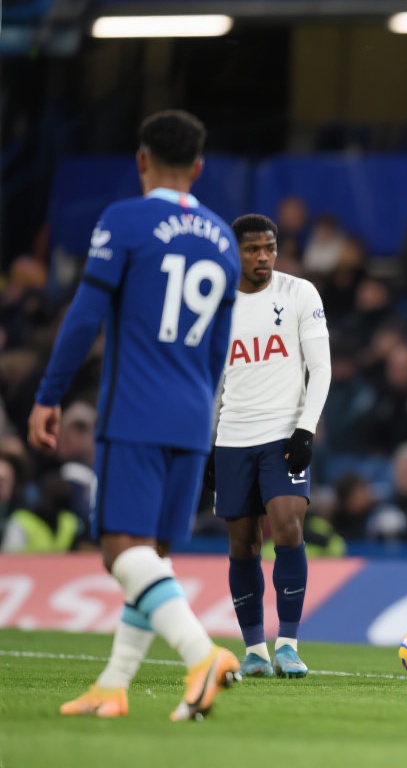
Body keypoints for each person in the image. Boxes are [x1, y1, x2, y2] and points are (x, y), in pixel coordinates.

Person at [27, 109, 242, 721]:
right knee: (153, 557)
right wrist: (201, 415)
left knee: (120, 549)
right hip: (192, 413)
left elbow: (84, 318)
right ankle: (113, 685)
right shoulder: (223, 238)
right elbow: (219, 349)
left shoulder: (124, 220)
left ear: (141, 160)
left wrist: (48, 394)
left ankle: (202, 656)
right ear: (198, 168)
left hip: (136, 411)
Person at [205, 213, 331, 679]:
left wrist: (305, 429)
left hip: (283, 433)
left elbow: (321, 367)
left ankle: (289, 645)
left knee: (288, 526)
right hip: (233, 436)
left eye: (270, 248)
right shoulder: (217, 304)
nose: (264, 257)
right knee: (242, 543)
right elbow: (211, 380)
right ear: (234, 251)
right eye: (253, 249)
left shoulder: (299, 293)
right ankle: (255, 650)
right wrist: (207, 441)